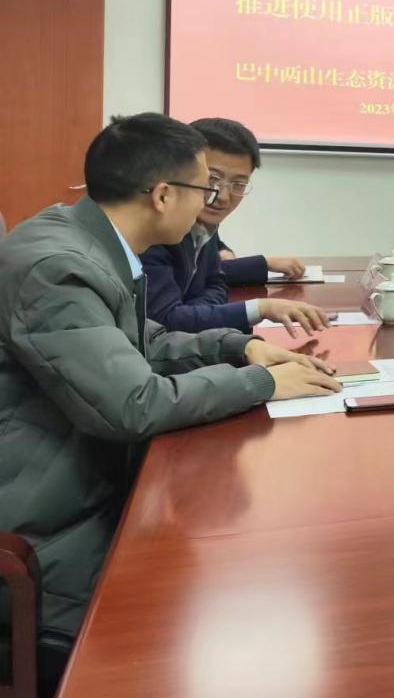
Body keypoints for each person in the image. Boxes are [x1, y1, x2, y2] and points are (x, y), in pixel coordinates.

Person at [0, 113, 340, 697]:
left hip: (81, 483)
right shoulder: (57, 267)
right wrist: (262, 384)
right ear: (162, 195)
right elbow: (132, 404)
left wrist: (240, 347)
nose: (213, 202)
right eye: (205, 188)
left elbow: (141, 342)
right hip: (47, 524)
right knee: (211, 613)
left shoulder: (93, 240)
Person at [141, 118, 328, 336]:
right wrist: (259, 308)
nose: (223, 196)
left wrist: (196, 311)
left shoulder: (204, 222)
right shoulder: (155, 231)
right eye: (212, 179)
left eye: (238, 184)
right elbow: (165, 321)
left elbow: (217, 282)